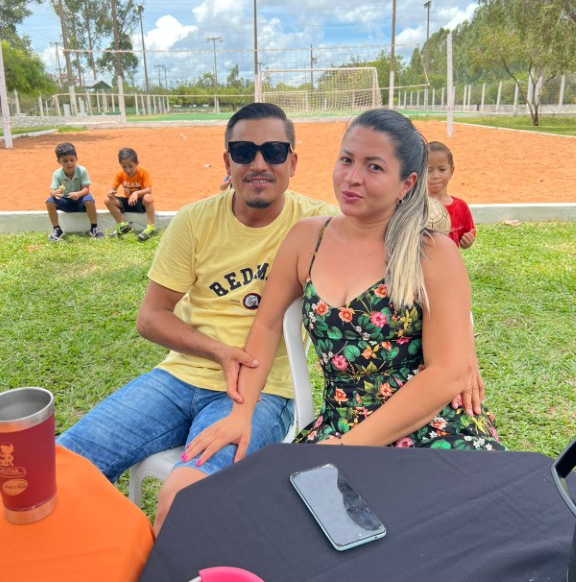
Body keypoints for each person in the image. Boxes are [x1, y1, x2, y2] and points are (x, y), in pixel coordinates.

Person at [57, 102, 336, 533]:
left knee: (185, 500)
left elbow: (390, 234)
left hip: (260, 392)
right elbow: (151, 317)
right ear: (227, 162)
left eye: (274, 151)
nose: (258, 164)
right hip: (178, 378)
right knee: (60, 464)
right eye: (243, 152)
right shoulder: (195, 220)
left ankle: (158, 576)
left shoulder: (319, 224)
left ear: (293, 162)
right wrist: (219, 351)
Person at [182, 109, 503, 468]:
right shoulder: (307, 238)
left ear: (406, 184)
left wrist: (346, 447)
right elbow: (267, 325)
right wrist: (241, 416)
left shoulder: (430, 251)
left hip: (432, 429)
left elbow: (445, 374)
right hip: (339, 424)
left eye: (374, 167)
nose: (352, 178)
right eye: (347, 160)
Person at [46, 142, 104, 241]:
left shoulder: (81, 171)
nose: (69, 163)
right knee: (49, 201)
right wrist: (54, 193)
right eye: (65, 161)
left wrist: (78, 194)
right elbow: (52, 191)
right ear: (59, 161)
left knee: (89, 200)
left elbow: (86, 189)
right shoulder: (57, 174)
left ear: (76, 158)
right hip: (65, 201)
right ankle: (56, 229)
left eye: (72, 160)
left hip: (80, 200)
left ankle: (94, 227)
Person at [427, 141, 476, 249]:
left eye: (442, 170)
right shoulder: (415, 206)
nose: (435, 176)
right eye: (429, 170)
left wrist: (467, 241)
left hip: (450, 259)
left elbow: (469, 233)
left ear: (451, 171)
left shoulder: (461, 207)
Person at [105, 147, 156, 241]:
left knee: (148, 197)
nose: (128, 170)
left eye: (131, 166)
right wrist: (110, 192)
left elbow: (149, 190)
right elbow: (112, 190)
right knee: (107, 200)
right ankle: (122, 225)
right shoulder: (120, 174)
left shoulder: (143, 173)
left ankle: (150, 227)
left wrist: (137, 193)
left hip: (140, 202)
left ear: (137, 163)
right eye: (124, 167)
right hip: (128, 202)